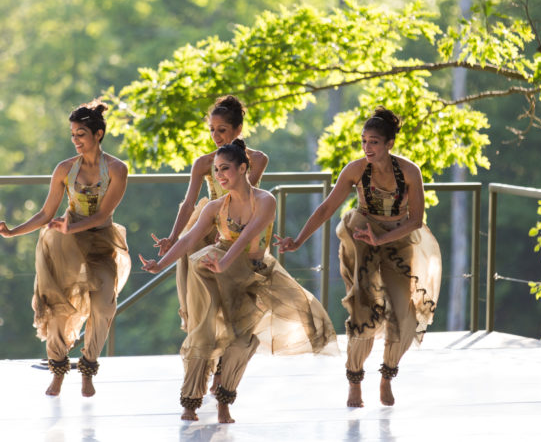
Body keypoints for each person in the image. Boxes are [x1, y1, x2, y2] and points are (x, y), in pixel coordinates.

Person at [140, 139, 337, 423]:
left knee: (243, 340)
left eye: (226, 169)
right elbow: (189, 240)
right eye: (217, 170)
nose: (219, 175)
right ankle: (190, 403)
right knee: (205, 332)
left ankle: (224, 401)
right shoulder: (215, 207)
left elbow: (247, 238)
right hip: (214, 271)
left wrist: (225, 262)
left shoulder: (265, 200)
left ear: (243, 168)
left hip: (252, 272)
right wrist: (160, 263)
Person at [277, 107, 442, 408]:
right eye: (364, 141)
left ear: (389, 143)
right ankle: (354, 380)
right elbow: (327, 208)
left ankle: (387, 376)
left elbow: (416, 220)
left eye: (374, 142)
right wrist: (298, 240)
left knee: (405, 317)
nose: (367, 148)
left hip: (397, 238)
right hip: (362, 238)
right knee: (365, 311)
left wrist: (383, 237)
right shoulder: (355, 170)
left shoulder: (409, 172)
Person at [0, 101, 130, 397]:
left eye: (82, 134)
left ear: (98, 134)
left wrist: (71, 226)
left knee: (104, 306)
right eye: (73, 135)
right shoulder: (65, 169)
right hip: (66, 245)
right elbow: (46, 213)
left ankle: (88, 366)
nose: (76, 140)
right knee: (57, 309)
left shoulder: (117, 168)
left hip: (100, 241)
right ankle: (59, 370)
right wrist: (11, 231)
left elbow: (103, 215)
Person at [151, 94, 268, 332]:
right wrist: (172, 238)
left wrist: (226, 227)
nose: (215, 136)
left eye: (222, 130)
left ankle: (229, 344)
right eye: (212, 130)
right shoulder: (204, 163)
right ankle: (203, 337)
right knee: (201, 290)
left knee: (236, 295)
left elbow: (244, 195)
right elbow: (188, 204)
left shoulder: (256, 159)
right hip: (207, 222)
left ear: (239, 129)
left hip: (239, 224)